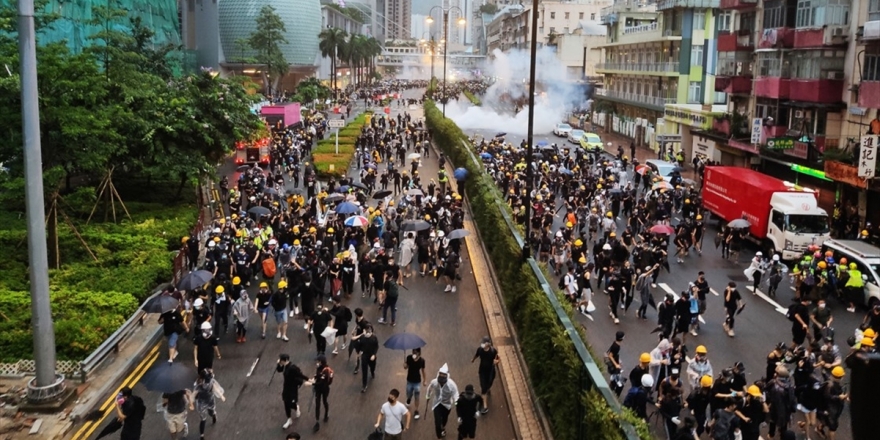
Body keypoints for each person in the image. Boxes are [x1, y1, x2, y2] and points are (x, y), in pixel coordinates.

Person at [277, 353, 311, 429]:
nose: (280, 361)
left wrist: (308, 380)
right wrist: (279, 365)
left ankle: (296, 408)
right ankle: (289, 419)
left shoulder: (293, 368)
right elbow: (279, 370)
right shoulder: (284, 366)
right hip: (286, 388)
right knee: (286, 402)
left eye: (281, 360)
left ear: (284, 360)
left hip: (292, 389)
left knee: (291, 403)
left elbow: (300, 375)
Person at [425, 363, 459, 439]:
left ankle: (442, 427)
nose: (442, 376)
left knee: (444, 419)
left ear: (447, 375)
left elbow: (455, 394)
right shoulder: (434, 382)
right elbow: (429, 388)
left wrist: (456, 402)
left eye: (444, 374)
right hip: (437, 404)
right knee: (437, 422)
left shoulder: (452, 384)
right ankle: (439, 436)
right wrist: (428, 396)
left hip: (447, 405)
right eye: (440, 374)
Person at [190, 369, 225, 439]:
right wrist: (191, 404)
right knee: (203, 419)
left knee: (211, 411)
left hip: (210, 401)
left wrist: (221, 396)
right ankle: (202, 435)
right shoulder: (198, 385)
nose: (207, 383)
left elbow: (215, 388)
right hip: (201, 403)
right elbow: (193, 395)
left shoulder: (211, 381)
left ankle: (213, 415)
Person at [470, 336, 499, 414]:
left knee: (488, 384)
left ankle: (487, 389)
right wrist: (473, 360)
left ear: (488, 344)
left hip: (490, 372)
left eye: (484, 343)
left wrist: (496, 362)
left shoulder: (493, 351)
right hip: (482, 371)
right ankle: (485, 406)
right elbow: (476, 355)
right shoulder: (480, 350)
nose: (482, 344)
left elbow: (497, 359)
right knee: (483, 388)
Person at [312, 354, 334, 432]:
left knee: (324, 401)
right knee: (317, 404)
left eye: (317, 361)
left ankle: (326, 414)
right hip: (318, 389)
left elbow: (322, 382)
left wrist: (312, 383)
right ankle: (317, 421)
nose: (316, 363)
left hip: (324, 389)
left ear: (321, 362)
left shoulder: (326, 370)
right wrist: (314, 378)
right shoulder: (319, 368)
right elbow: (317, 375)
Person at [404, 348, 426, 420]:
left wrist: (424, 380)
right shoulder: (409, 358)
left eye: (415, 352)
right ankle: (409, 398)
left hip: (417, 382)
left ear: (419, 353)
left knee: (417, 396)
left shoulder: (422, 361)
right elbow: (406, 367)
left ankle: (416, 410)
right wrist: (405, 365)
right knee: (408, 393)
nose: (414, 354)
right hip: (409, 380)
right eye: (413, 352)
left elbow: (423, 371)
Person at [360, 325, 379, 392]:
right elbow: (360, 345)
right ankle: (364, 385)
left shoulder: (374, 338)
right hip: (364, 355)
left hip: (372, 356)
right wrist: (360, 351)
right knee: (364, 370)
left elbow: (376, 346)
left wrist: (374, 354)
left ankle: (372, 372)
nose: (363, 332)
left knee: (372, 366)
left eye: (364, 331)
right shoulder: (362, 337)